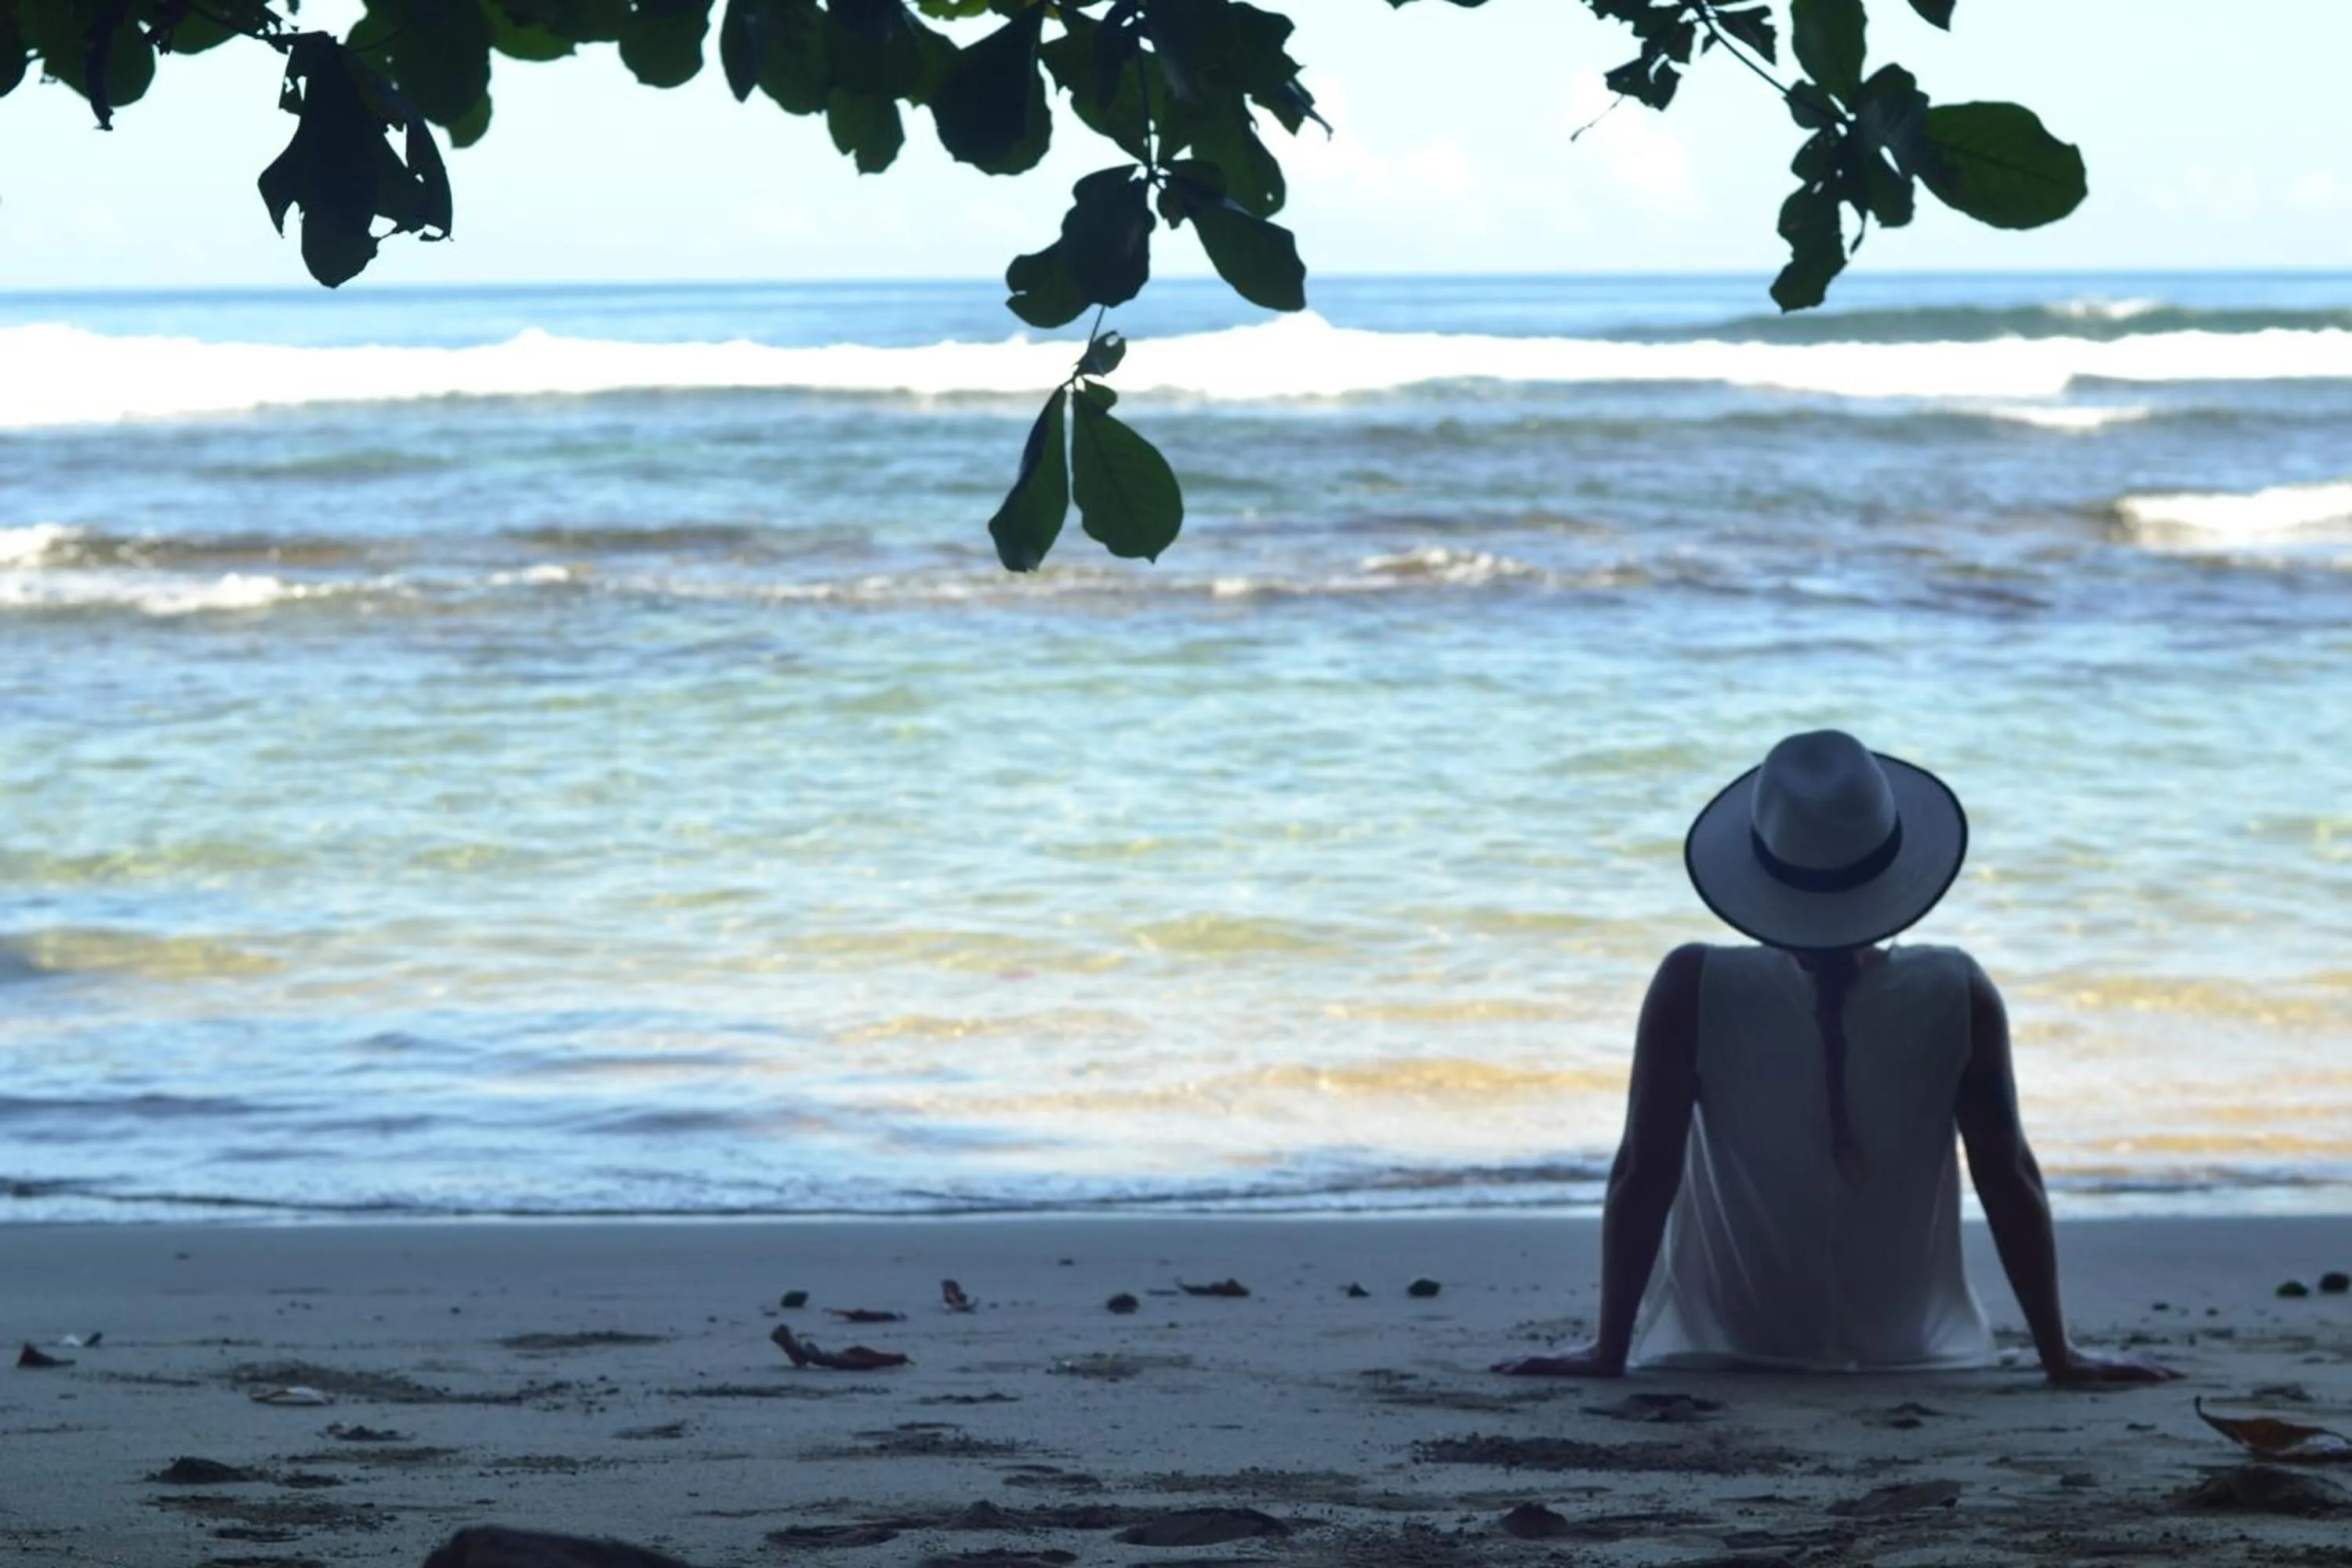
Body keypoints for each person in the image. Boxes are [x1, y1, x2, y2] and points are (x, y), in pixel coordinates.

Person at [1496, 730, 2176, 1385]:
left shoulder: (1693, 985)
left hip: (1727, 1346)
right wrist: (2059, 1354)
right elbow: (2009, 1177)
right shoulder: (1956, 989)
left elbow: (1644, 1171)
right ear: (1890, 861)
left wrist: (1609, 1351)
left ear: (1764, 864)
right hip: (1905, 1349)